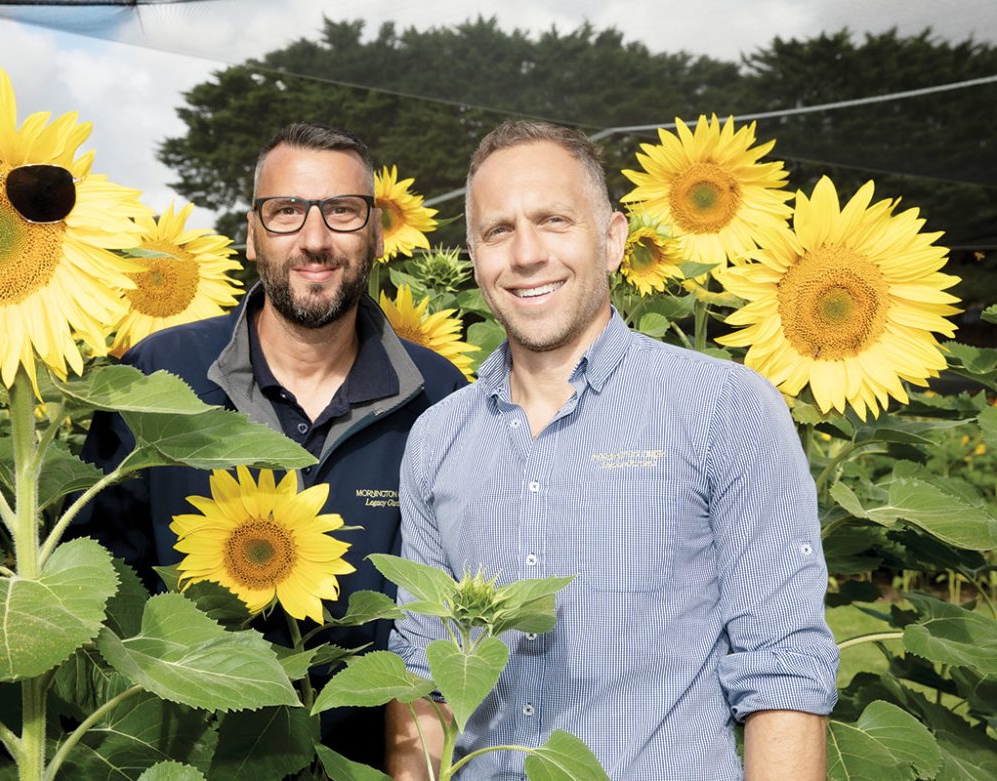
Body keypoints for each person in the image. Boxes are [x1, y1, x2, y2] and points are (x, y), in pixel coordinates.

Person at [386, 120, 838, 780]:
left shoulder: (723, 407)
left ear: (614, 238)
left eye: (554, 219)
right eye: (498, 230)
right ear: (476, 257)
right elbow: (421, 670)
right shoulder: (437, 437)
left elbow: (783, 668)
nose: (527, 253)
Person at [78, 122, 468, 768]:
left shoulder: (440, 397)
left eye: (342, 212)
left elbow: (438, 643)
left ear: (376, 233)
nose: (314, 240)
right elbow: (100, 603)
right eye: (286, 211)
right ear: (253, 237)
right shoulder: (158, 378)